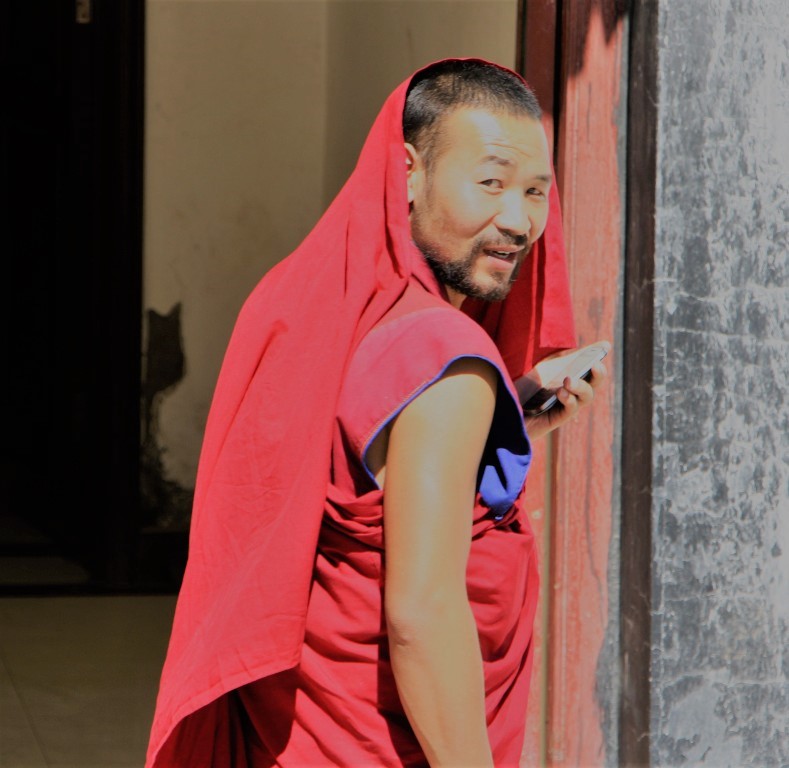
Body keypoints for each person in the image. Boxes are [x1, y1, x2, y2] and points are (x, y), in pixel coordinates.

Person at [145, 58, 608, 768]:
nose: (516, 221)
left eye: (535, 192)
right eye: (489, 182)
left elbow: (360, 454)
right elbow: (422, 615)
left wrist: (505, 412)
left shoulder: (322, 304)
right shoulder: (446, 353)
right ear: (408, 172)